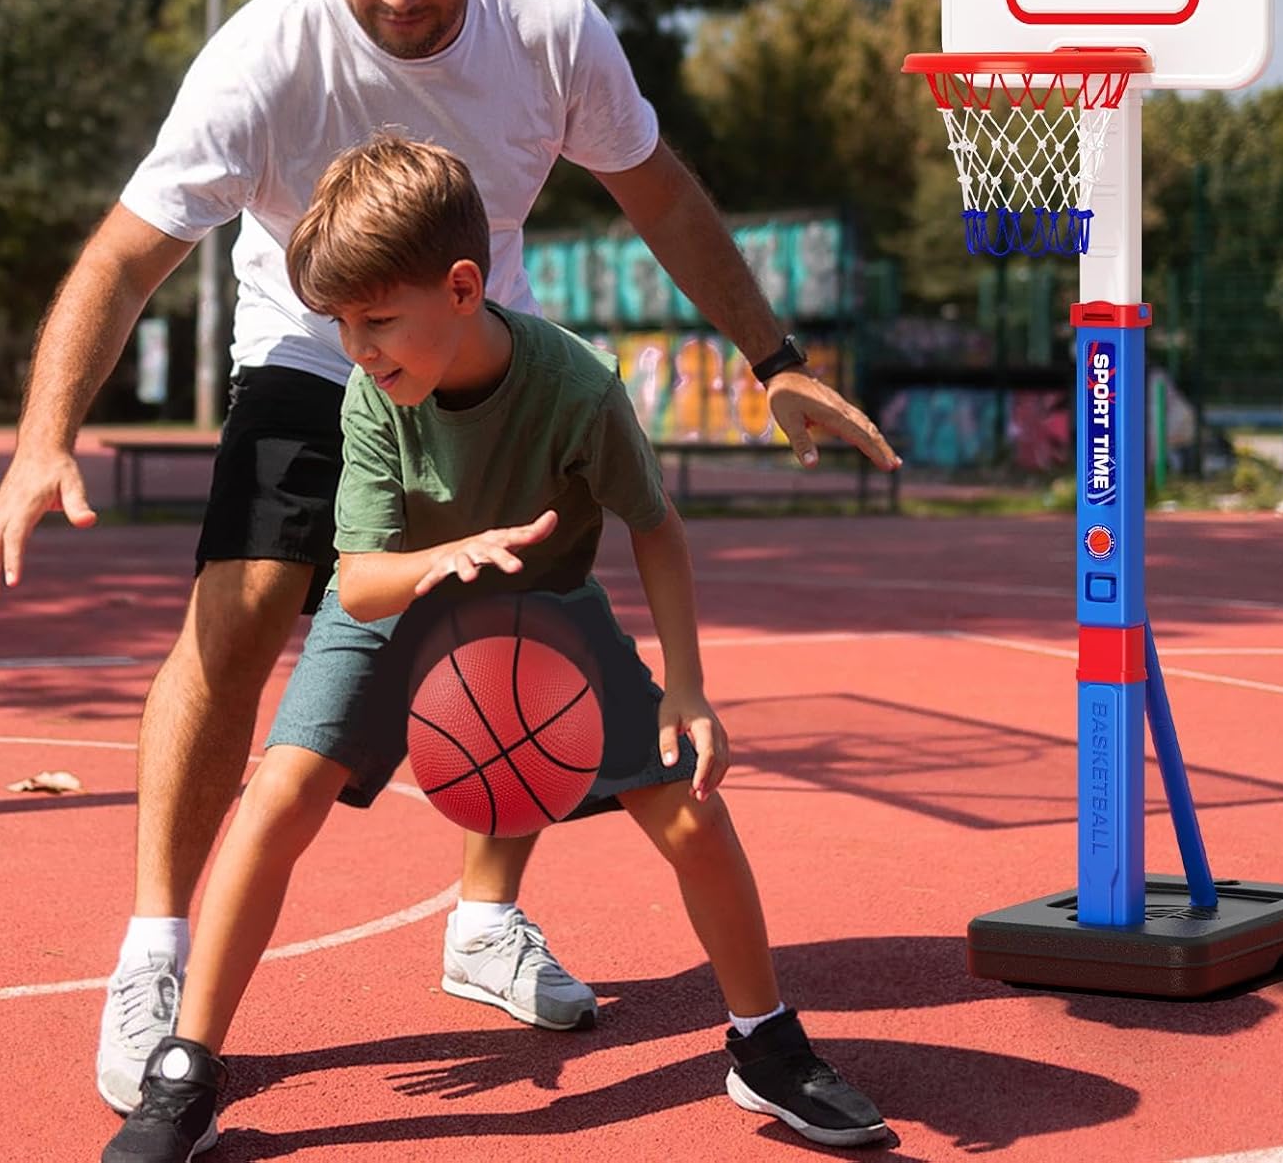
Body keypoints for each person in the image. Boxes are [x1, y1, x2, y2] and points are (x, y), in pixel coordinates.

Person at [0, 0, 899, 1114]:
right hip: (310, 356)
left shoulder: (549, 29)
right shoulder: (262, 56)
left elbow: (663, 197)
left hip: (483, 361)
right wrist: (43, 435)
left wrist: (778, 361)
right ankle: (156, 952)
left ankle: (483, 918)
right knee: (237, 628)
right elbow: (124, 256)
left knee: (517, 630)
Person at [100, 134, 890, 1161]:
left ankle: (765, 1041)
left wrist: (687, 687)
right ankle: (188, 1067)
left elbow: (654, 525)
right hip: (390, 603)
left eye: (376, 318)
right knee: (278, 793)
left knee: (693, 807)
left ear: (464, 286)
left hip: (542, 606)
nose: (359, 345)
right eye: (341, 323)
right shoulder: (373, 393)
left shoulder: (576, 385)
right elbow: (363, 573)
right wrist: (451, 552)